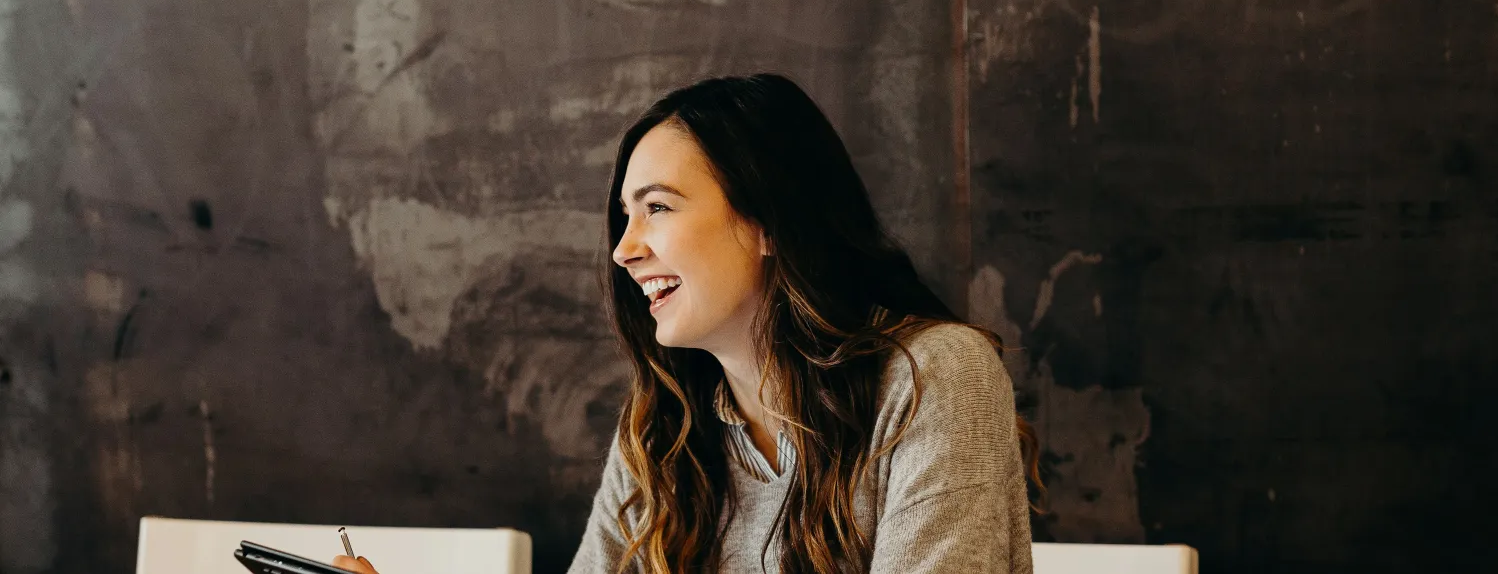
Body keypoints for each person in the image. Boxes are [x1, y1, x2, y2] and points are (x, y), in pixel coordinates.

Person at [336, 74, 1039, 574]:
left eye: (659, 208)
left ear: (767, 223)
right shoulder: (661, 427)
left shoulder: (932, 378)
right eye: (625, 216)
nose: (624, 248)